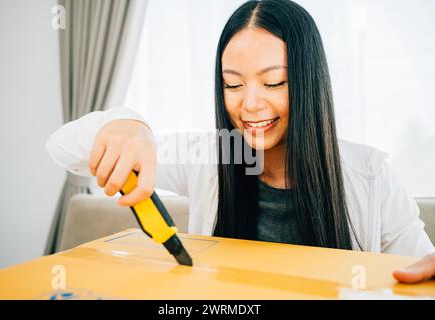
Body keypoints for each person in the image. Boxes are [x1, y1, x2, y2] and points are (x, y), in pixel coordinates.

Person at [46, 0, 434, 259]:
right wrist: (125, 124)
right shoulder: (213, 156)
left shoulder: (370, 174)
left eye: (273, 82)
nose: (248, 104)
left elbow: (420, 274)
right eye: (232, 84)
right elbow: (63, 148)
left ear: (308, 81)